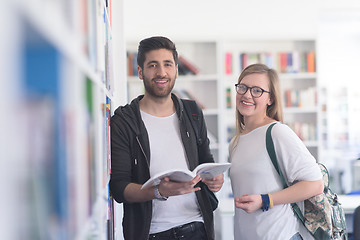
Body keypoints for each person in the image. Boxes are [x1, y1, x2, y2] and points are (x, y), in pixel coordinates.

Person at [109, 36, 224, 240]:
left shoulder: (192, 111)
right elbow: (119, 187)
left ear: (177, 70)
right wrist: (157, 192)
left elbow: (207, 162)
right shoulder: (124, 120)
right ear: (140, 71)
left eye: (167, 64)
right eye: (153, 65)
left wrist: (215, 179)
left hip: (198, 228)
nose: (161, 72)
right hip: (151, 233)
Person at [229, 63, 324, 240]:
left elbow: (315, 184)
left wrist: (265, 200)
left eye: (257, 90)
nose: (247, 95)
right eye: (242, 87)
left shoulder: (277, 132)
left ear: (270, 99)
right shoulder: (236, 141)